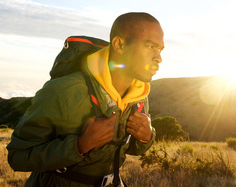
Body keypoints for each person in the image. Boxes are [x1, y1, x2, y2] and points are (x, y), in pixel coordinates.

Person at [7, 12, 164, 186]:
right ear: (119, 44)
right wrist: (79, 146)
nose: (159, 58)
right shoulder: (63, 91)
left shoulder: (139, 95)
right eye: (150, 46)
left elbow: (128, 149)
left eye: (160, 49)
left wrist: (146, 137)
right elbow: (17, 157)